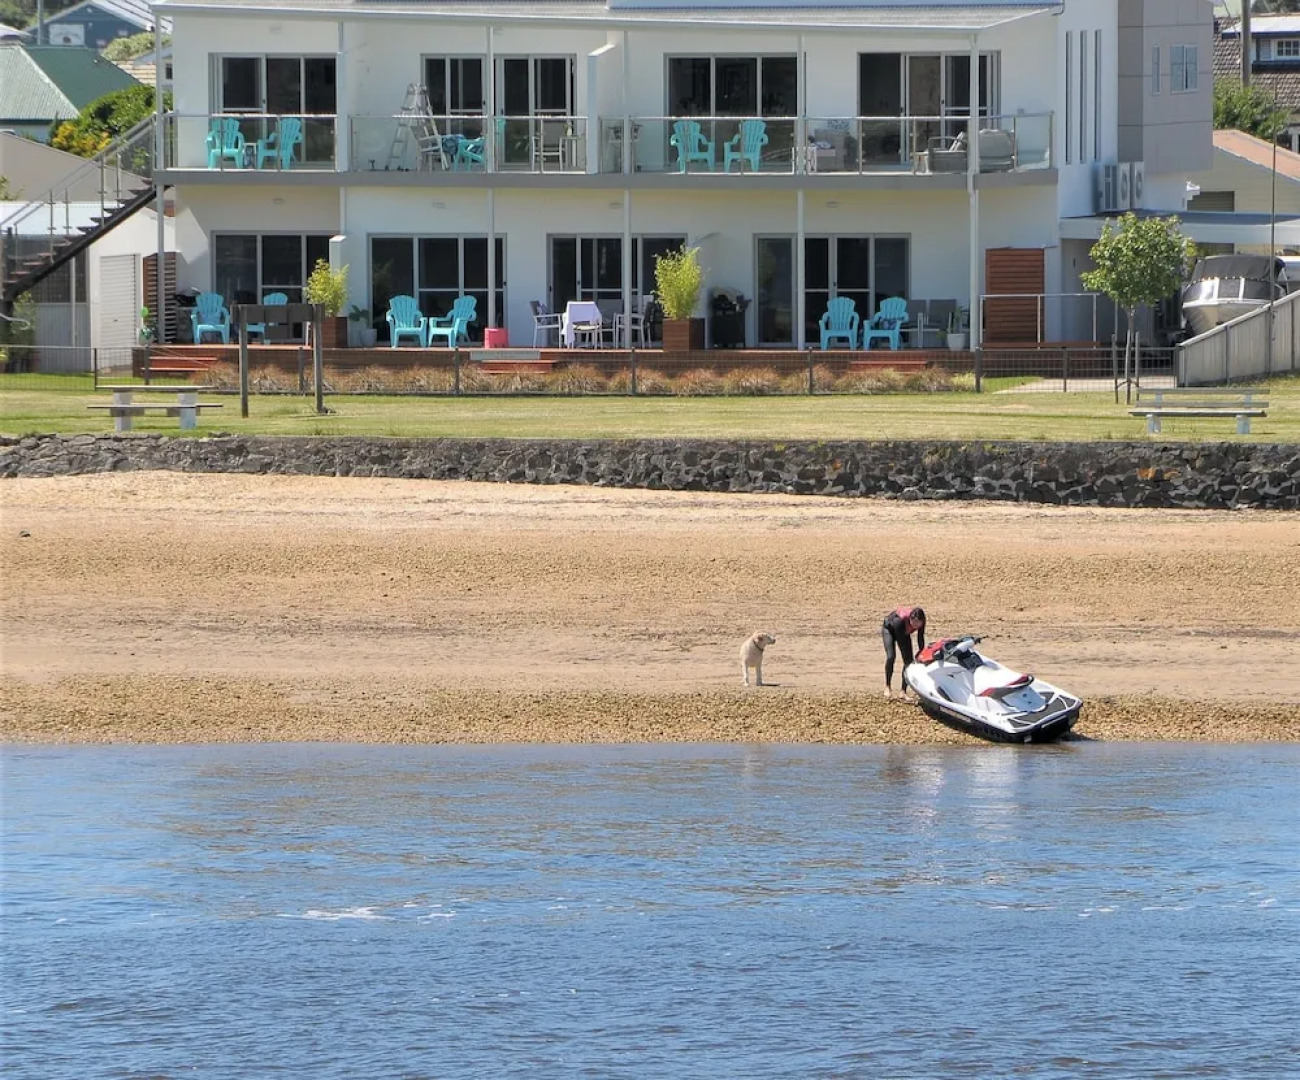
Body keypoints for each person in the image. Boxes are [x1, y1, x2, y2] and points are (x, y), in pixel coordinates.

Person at [881, 606, 926, 699]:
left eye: (918, 624)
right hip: (890, 629)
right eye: (914, 623)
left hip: (904, 632)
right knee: (891, 656)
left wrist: (922, 652)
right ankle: (887, 687)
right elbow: (901, 641)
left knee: (908, 662)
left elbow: (920, 637)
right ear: (910, 619)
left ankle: (903, 691)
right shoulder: (900, 621)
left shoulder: (922, 622)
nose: (916, 626)